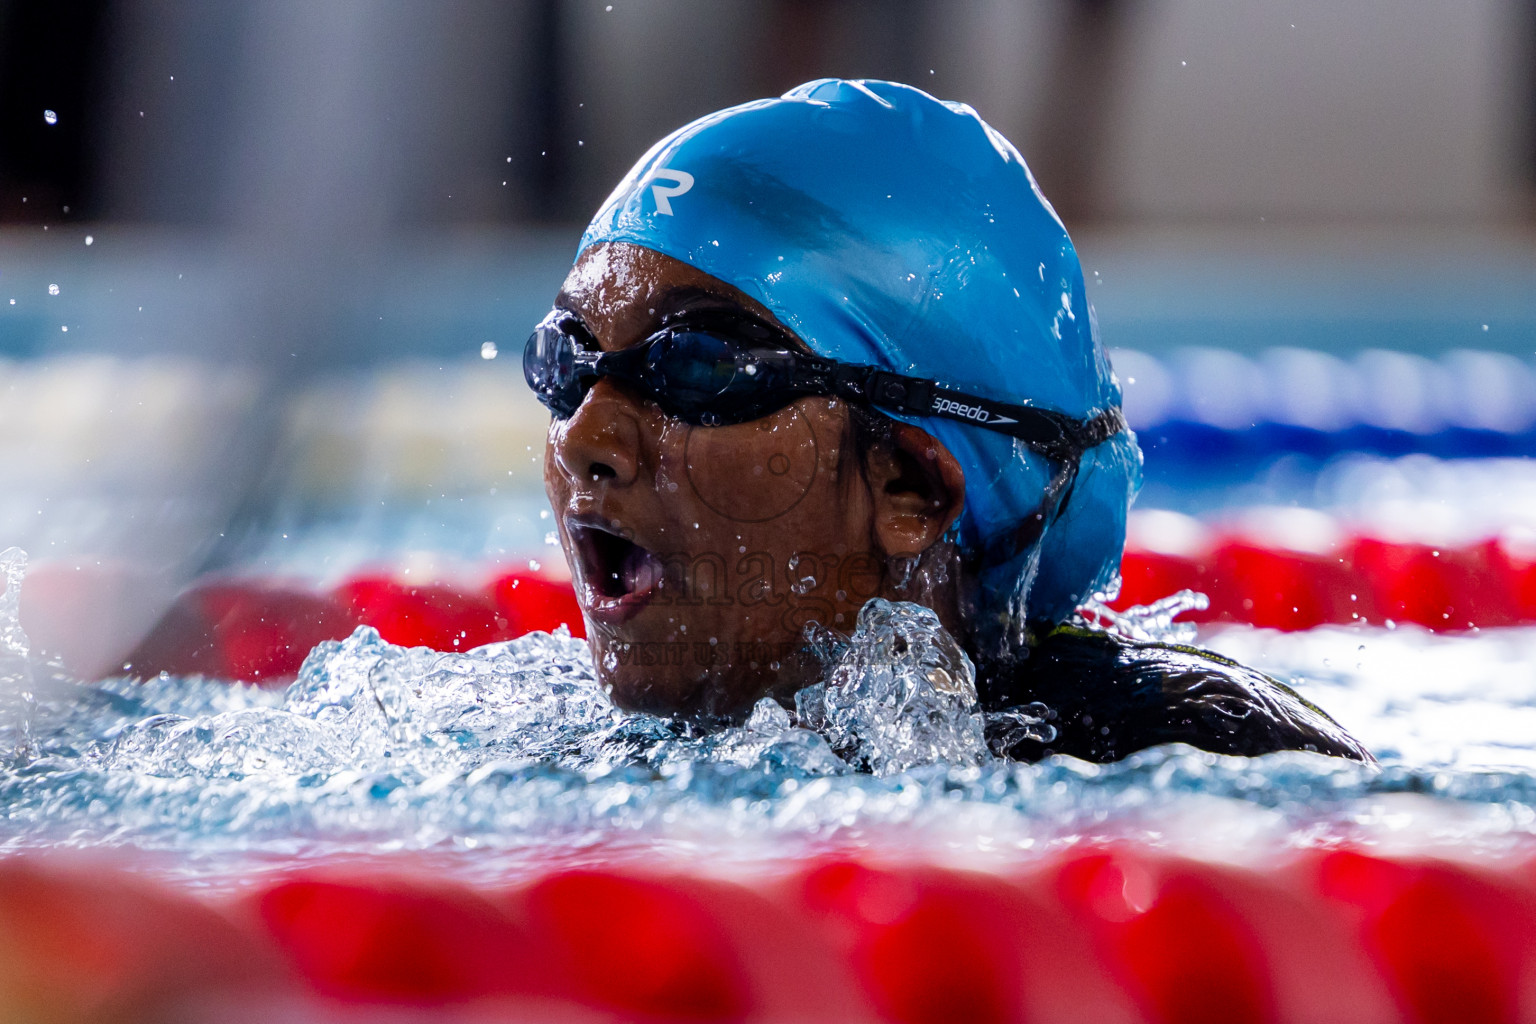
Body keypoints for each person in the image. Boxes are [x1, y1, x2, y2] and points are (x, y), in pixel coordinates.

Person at [525, 79, 1369, 764]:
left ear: (910, 487)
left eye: (698, 367)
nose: (586, 439)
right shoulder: (574, 757)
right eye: (568, 358)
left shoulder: (1188, 757)